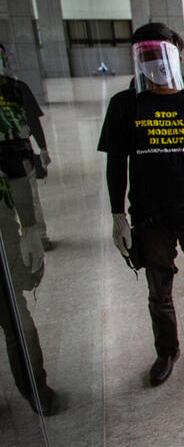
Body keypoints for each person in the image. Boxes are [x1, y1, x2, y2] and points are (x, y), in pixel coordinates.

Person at [98, 23, 184, 386]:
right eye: (146, 56)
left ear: (176, 56)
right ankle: (167, 350)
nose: (154, 63)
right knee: (158, 291)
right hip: (149, 216)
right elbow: (116, 163)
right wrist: (117, 216)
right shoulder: (126, 105)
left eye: (160, 54)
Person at [0, 52, 57, 414]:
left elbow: (32, 122)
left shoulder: (16, 89)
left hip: (14, 164)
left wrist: (31, 230)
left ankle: (35, 388)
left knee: (14, 315)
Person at [0, 44, 53, 250]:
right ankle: (10, 236)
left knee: (29, 197)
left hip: (19, 150)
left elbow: (33, 120)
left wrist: (43, 149)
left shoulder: (18, 88)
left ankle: (39, 234)